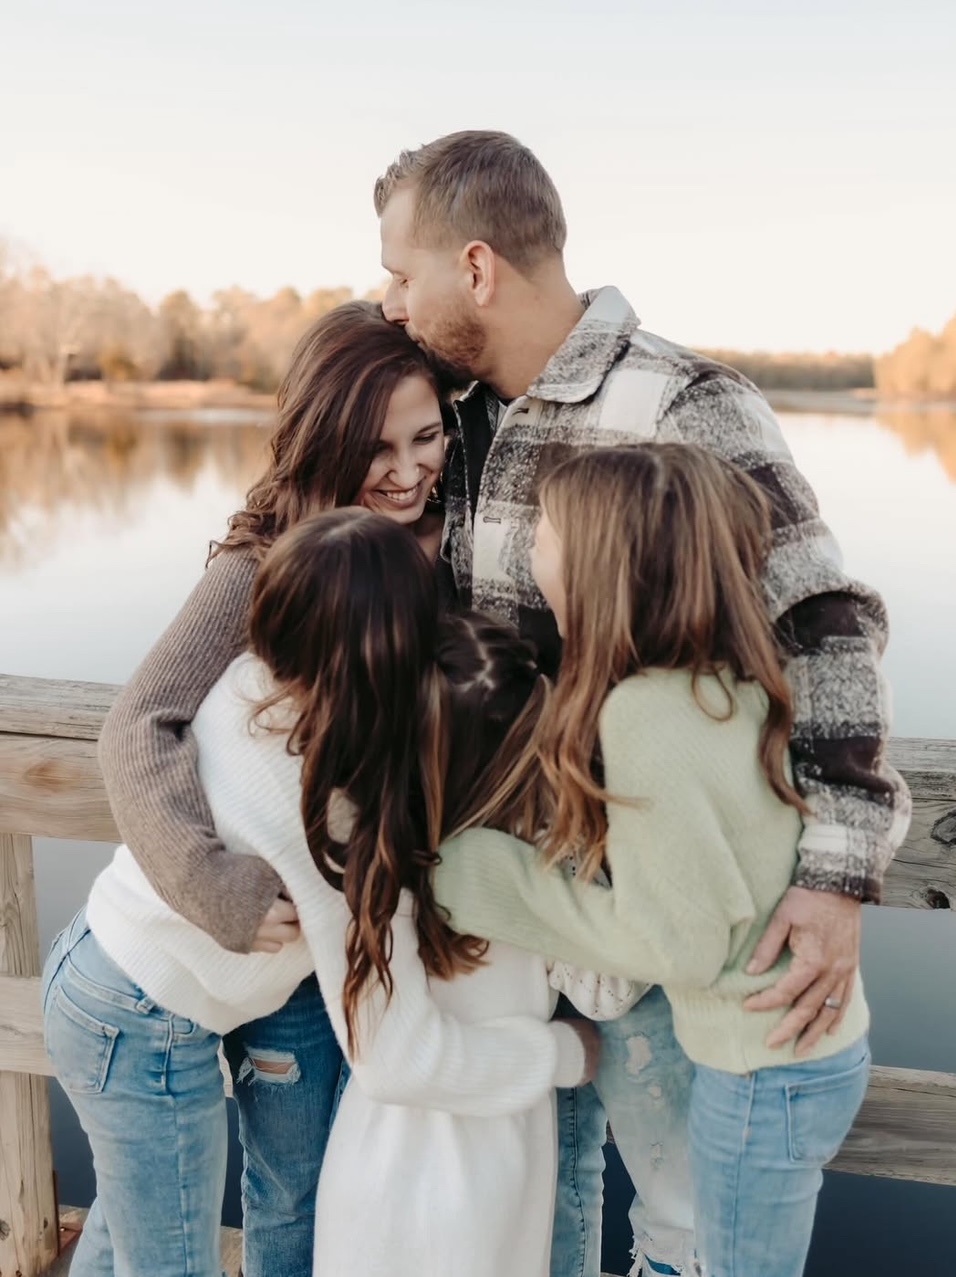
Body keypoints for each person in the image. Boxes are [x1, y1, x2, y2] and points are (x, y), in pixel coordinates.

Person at [373, 129, 910, 1277]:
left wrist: (835, 867)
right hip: (507, 917)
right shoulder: (447, 420)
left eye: (400, 271)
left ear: (475, 269)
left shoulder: (684, 403)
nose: (388, 301)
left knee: (681, 1230)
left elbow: (824, 624)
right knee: (531, 1203)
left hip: (657, 922)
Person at [44, 509, 610, 1277]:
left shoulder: (248, 684)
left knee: (125, 1222)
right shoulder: (331, 810)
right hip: (148, 1020)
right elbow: (391, 1045)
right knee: (168, 1255)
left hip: (97, 970)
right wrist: (557, 1051)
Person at [435, 444, 873, 1277]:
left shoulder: (642, 717)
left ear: (606, 566)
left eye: (548, 537)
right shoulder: (723, 683)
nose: (531, 553)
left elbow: (677, 943)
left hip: (762, 1072)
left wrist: (479, 877)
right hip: (797, 1057)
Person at [92, 300, 451, 1277]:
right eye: (378, 447)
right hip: (242, 924)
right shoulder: (267, 566)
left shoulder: (451, 555)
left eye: (427, 436)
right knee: (150, 1207)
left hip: (321, 961)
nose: (409, 469)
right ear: (326, 442)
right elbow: (138, 723)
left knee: (296, 1185)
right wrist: (210, 883)